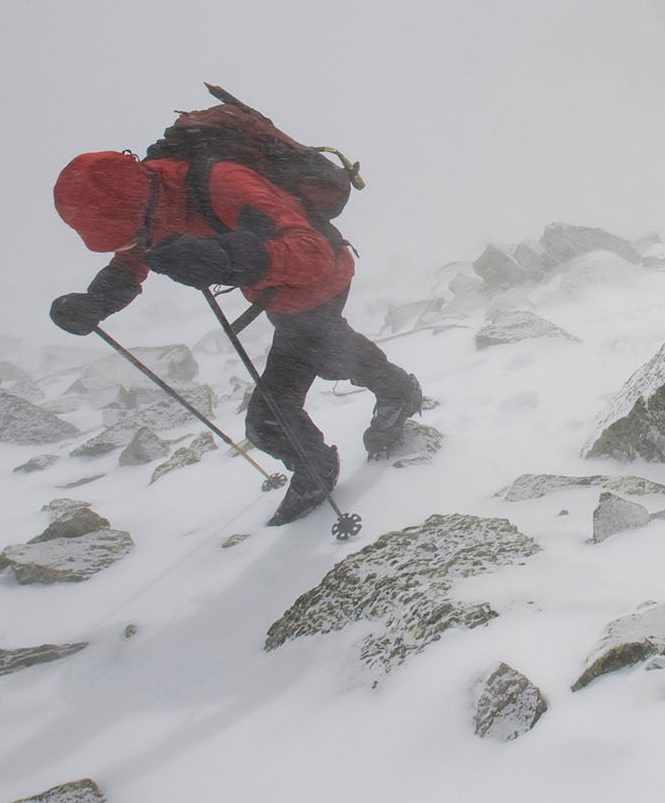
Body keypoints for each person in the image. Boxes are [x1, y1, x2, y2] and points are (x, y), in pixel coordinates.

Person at [47, 149, 422, 525]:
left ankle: (325, 463)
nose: (127, 247)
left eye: (128, 237)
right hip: (275, 292)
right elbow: (135, 256)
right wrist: (97, 302)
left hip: (317, 281)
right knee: (321, 357)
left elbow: (313, 253)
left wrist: (224, 258)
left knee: (279, 406)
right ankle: (392, 396)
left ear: (138, 207)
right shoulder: (153, 202)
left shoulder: (224, 184)